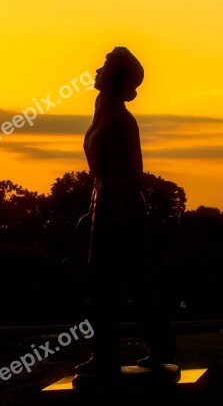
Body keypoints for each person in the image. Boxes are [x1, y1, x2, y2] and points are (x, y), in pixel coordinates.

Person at [75, 46, 176, 377]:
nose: (96, 70)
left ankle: (131, 352)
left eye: (104, 65)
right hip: (103, 203)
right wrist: (93, 210)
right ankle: (111, 353)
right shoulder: (104, 116)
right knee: (106, 284)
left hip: (122, 208)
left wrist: (118, 214)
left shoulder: (121, 121)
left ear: (114, 77)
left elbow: (132, 174)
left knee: (124, 284)